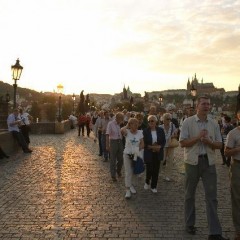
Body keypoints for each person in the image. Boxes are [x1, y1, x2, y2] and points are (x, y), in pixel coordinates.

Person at [179, 96, 229, 240]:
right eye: (204, 104)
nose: (207, 106)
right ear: (197, 106)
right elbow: (182, 143)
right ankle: (189, 224)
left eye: (208, 104)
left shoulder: (213, 123)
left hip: (209, 162)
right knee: (189, 195)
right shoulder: (188, 122)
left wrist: (209, 142)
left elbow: (220, 145)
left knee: (212, 198)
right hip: (192, 163)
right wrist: (197, 138)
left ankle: (214, 232)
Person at [224, 110, 240, 240]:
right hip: (237, 166)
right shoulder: (233, 133)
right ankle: (238, 230)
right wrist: (238, 149)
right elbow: (226, 152)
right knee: (237, 198)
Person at [121, 117, 144, 199]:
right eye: (134, 124)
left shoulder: (140, 133)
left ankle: (131, 185)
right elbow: (121, 130)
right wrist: (127, 125)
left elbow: (142, 144)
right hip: (127, 154)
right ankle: (127, 190)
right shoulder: (127, 132)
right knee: (128, 172)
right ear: (130, 125)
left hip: (136, 154)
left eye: (137, 124)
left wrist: (137, 150)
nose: (136, 126)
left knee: (135, 171)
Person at [143, 115, 166, 193]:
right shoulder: (145, 131)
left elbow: (163, 141)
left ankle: (154, 186)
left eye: (152, 121)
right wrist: (149, 147)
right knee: (149, 169)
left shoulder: (160, 130)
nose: (150, 122)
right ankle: (147, 180)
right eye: (149, 121)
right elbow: (143, 142)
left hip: (158, 153)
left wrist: (160, 147)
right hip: (149, 152)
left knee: (156, 170)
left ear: (156, 122)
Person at [159, 113, 178, 181]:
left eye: (170, 119)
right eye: (167, 119)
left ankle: (168, 175)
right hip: (163, 146)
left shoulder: (172, 126)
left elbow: (176, 135)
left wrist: (174, 135)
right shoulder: (160, 127)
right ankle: (159, 172)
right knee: (162, 160)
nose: (169, 120)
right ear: (163, 120)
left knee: (170, 160)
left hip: (170, 145)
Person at [106, 112, 124, 181]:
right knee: (113, 159)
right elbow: (107, 134)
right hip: (113, 142)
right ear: (117, 118)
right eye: (121, 119)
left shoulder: (120, 125)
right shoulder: (110, 124)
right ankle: (113, 175)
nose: (122, 121)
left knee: (121, 159)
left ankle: (118, 170)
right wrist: (107, 145)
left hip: (120, 142)